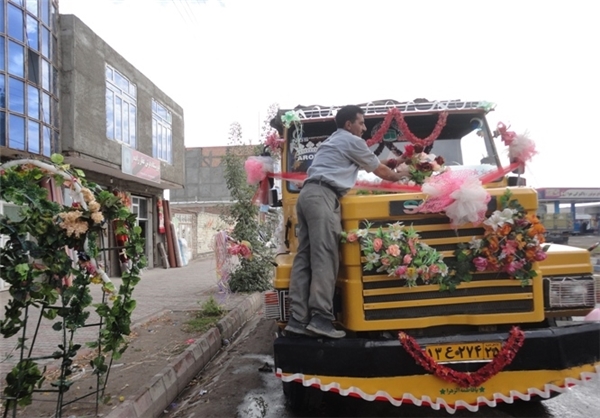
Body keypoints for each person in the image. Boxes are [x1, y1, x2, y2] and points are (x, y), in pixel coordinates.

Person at [284, 105, 407, 338]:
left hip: (308, 195)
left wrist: (396, 161)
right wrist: (406, 176)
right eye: (361, 122)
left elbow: (371, 161)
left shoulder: (333, 141)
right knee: (325, 256)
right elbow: (380, 171)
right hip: (324, 197)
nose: (364, 127)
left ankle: (298, 320)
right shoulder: (352, 141)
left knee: (305, 258)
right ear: (349, 124)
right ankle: (321, 319)